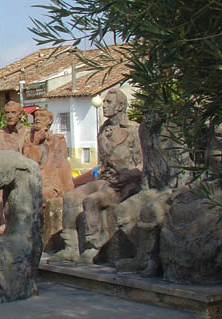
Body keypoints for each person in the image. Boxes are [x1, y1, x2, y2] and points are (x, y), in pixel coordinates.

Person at [51, 89, 143, 263]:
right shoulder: (103, 130)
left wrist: (128, 175)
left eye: (109, 102)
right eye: (104, 102)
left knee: (91, 200)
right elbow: (103, 163)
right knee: (70, 197)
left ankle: (95, 245)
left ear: (120, 106)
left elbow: (142, 164)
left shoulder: (134, 130)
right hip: (106, 180)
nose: (104, 106)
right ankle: (71, 247)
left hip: (126, 184)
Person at [21, 108, 74, 248]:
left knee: (39, 196)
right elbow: (28, 164)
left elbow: (63, 165)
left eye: (42, 116)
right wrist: (35, 143)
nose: (37, 118)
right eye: (36, 116)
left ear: (49, 121)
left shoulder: (57, 140)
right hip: (33, 183)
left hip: (51, 184)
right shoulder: (28, 141)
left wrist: (67, 188)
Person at [0, 100, 28, 235]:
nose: (10, 116)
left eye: (13, 112)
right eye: (7, 113)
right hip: (4, 177)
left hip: (23, 176)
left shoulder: (27, 133)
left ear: (20, 115)